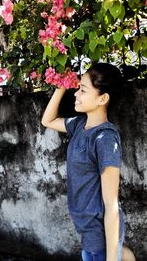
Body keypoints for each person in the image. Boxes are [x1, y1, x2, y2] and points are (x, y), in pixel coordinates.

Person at [41, 63, 136, 261]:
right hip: (86, 229)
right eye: (78, 88)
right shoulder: (78, 125)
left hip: (98, 232)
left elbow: (111, 205)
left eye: (83, 90)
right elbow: (47, 121)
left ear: (103, 98)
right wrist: (61, 85)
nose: (76, 94)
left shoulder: (105, 139)